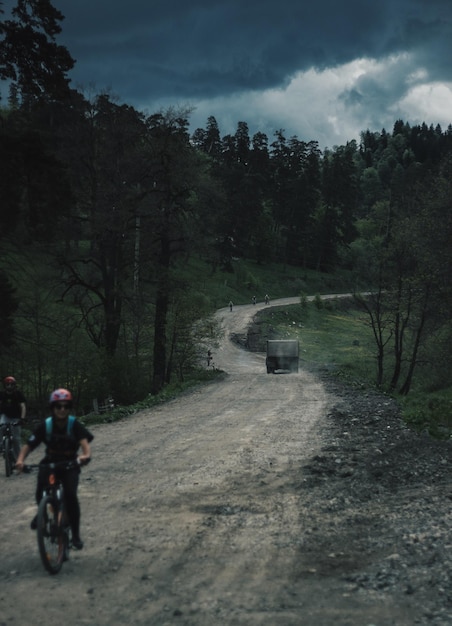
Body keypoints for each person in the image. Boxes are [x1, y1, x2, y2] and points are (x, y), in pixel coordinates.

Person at [15, 388, 93, 551]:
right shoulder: (46, 425)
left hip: (70, 464)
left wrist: (85, 456)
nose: (62, 409)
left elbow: (85, 445)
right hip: (50, 462)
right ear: (52, 408)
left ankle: (76, 535)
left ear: (69, 407)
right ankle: (42, 513)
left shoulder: (74, 425)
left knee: (71, 495)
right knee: (40, 491)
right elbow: (29, 445)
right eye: (58, 406)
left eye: (65, 406)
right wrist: (21, 461)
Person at [0, 376, 26, 460]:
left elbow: (23, 406)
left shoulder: (18, 394)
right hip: (5, 416)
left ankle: (19, 460)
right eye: (7, 385)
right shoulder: (2, 394)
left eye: (11, 385)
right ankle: (2, 446)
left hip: (16, 417)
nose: (9, 386)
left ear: (14, 385)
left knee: (16, 439)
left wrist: (22, 418)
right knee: (1, 427)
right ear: (5, 385)